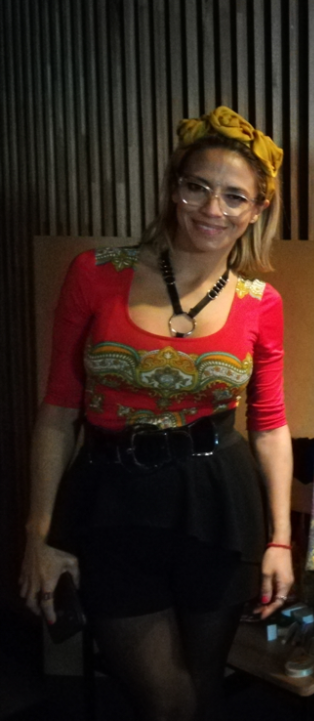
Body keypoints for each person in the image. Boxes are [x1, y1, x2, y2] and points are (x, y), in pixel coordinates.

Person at [20, 106, 295, 720]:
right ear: (174, 189)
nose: (212, 209)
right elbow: (58, 411)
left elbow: (270, 423)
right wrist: (40, 534)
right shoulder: (95, 274)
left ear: (257, 210)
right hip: (112, 501)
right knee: (166, 702)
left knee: (203, 688)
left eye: (234, 196)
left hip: (219, 504)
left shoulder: (261, 302)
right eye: (198, 187)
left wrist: (280, 538)